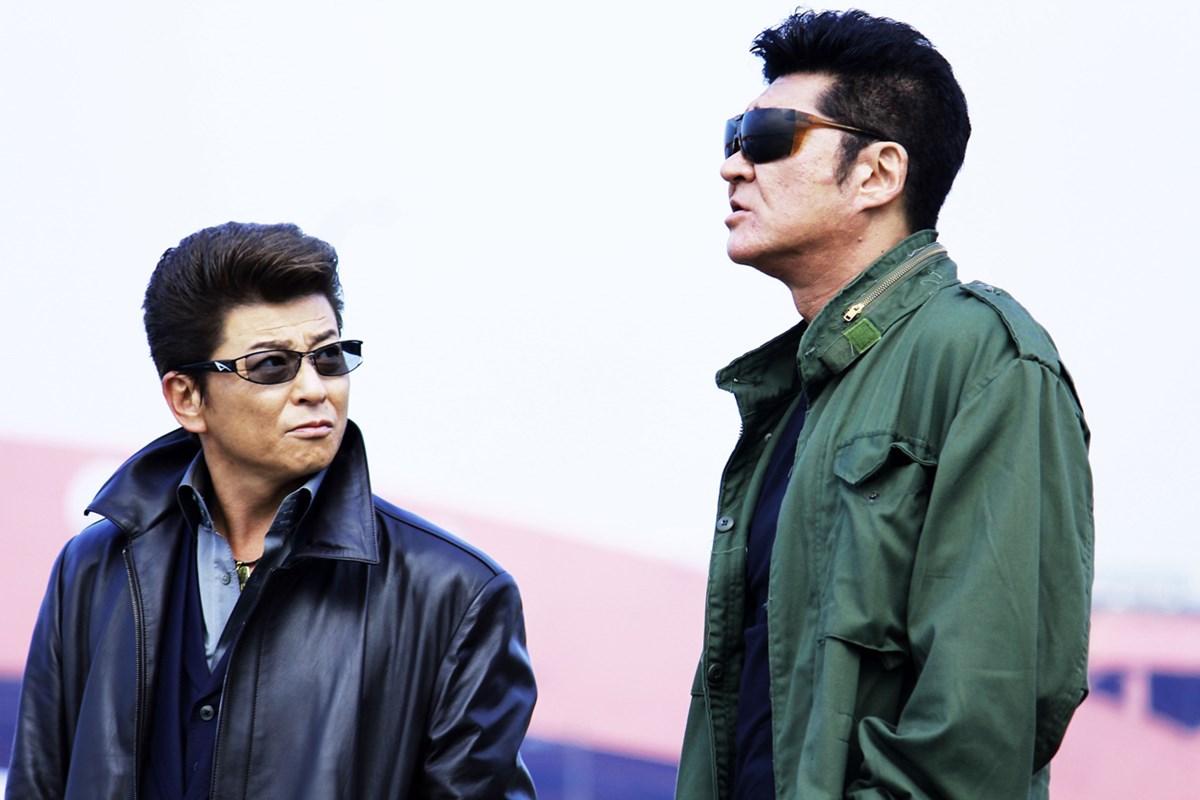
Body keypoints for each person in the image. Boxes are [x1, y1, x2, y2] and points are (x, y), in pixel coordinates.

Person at [676, 9, 1093, 799]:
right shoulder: (792, 396)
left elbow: (980, 722)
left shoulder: (985, 359)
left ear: (877, 173)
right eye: (733, 135)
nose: (732, 165)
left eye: (766, 137)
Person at [6, 222, 538, 799]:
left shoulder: (457, 595)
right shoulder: (94, 568)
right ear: (187, 397)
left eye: (328, 357)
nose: (315, 389)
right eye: (271, 366)